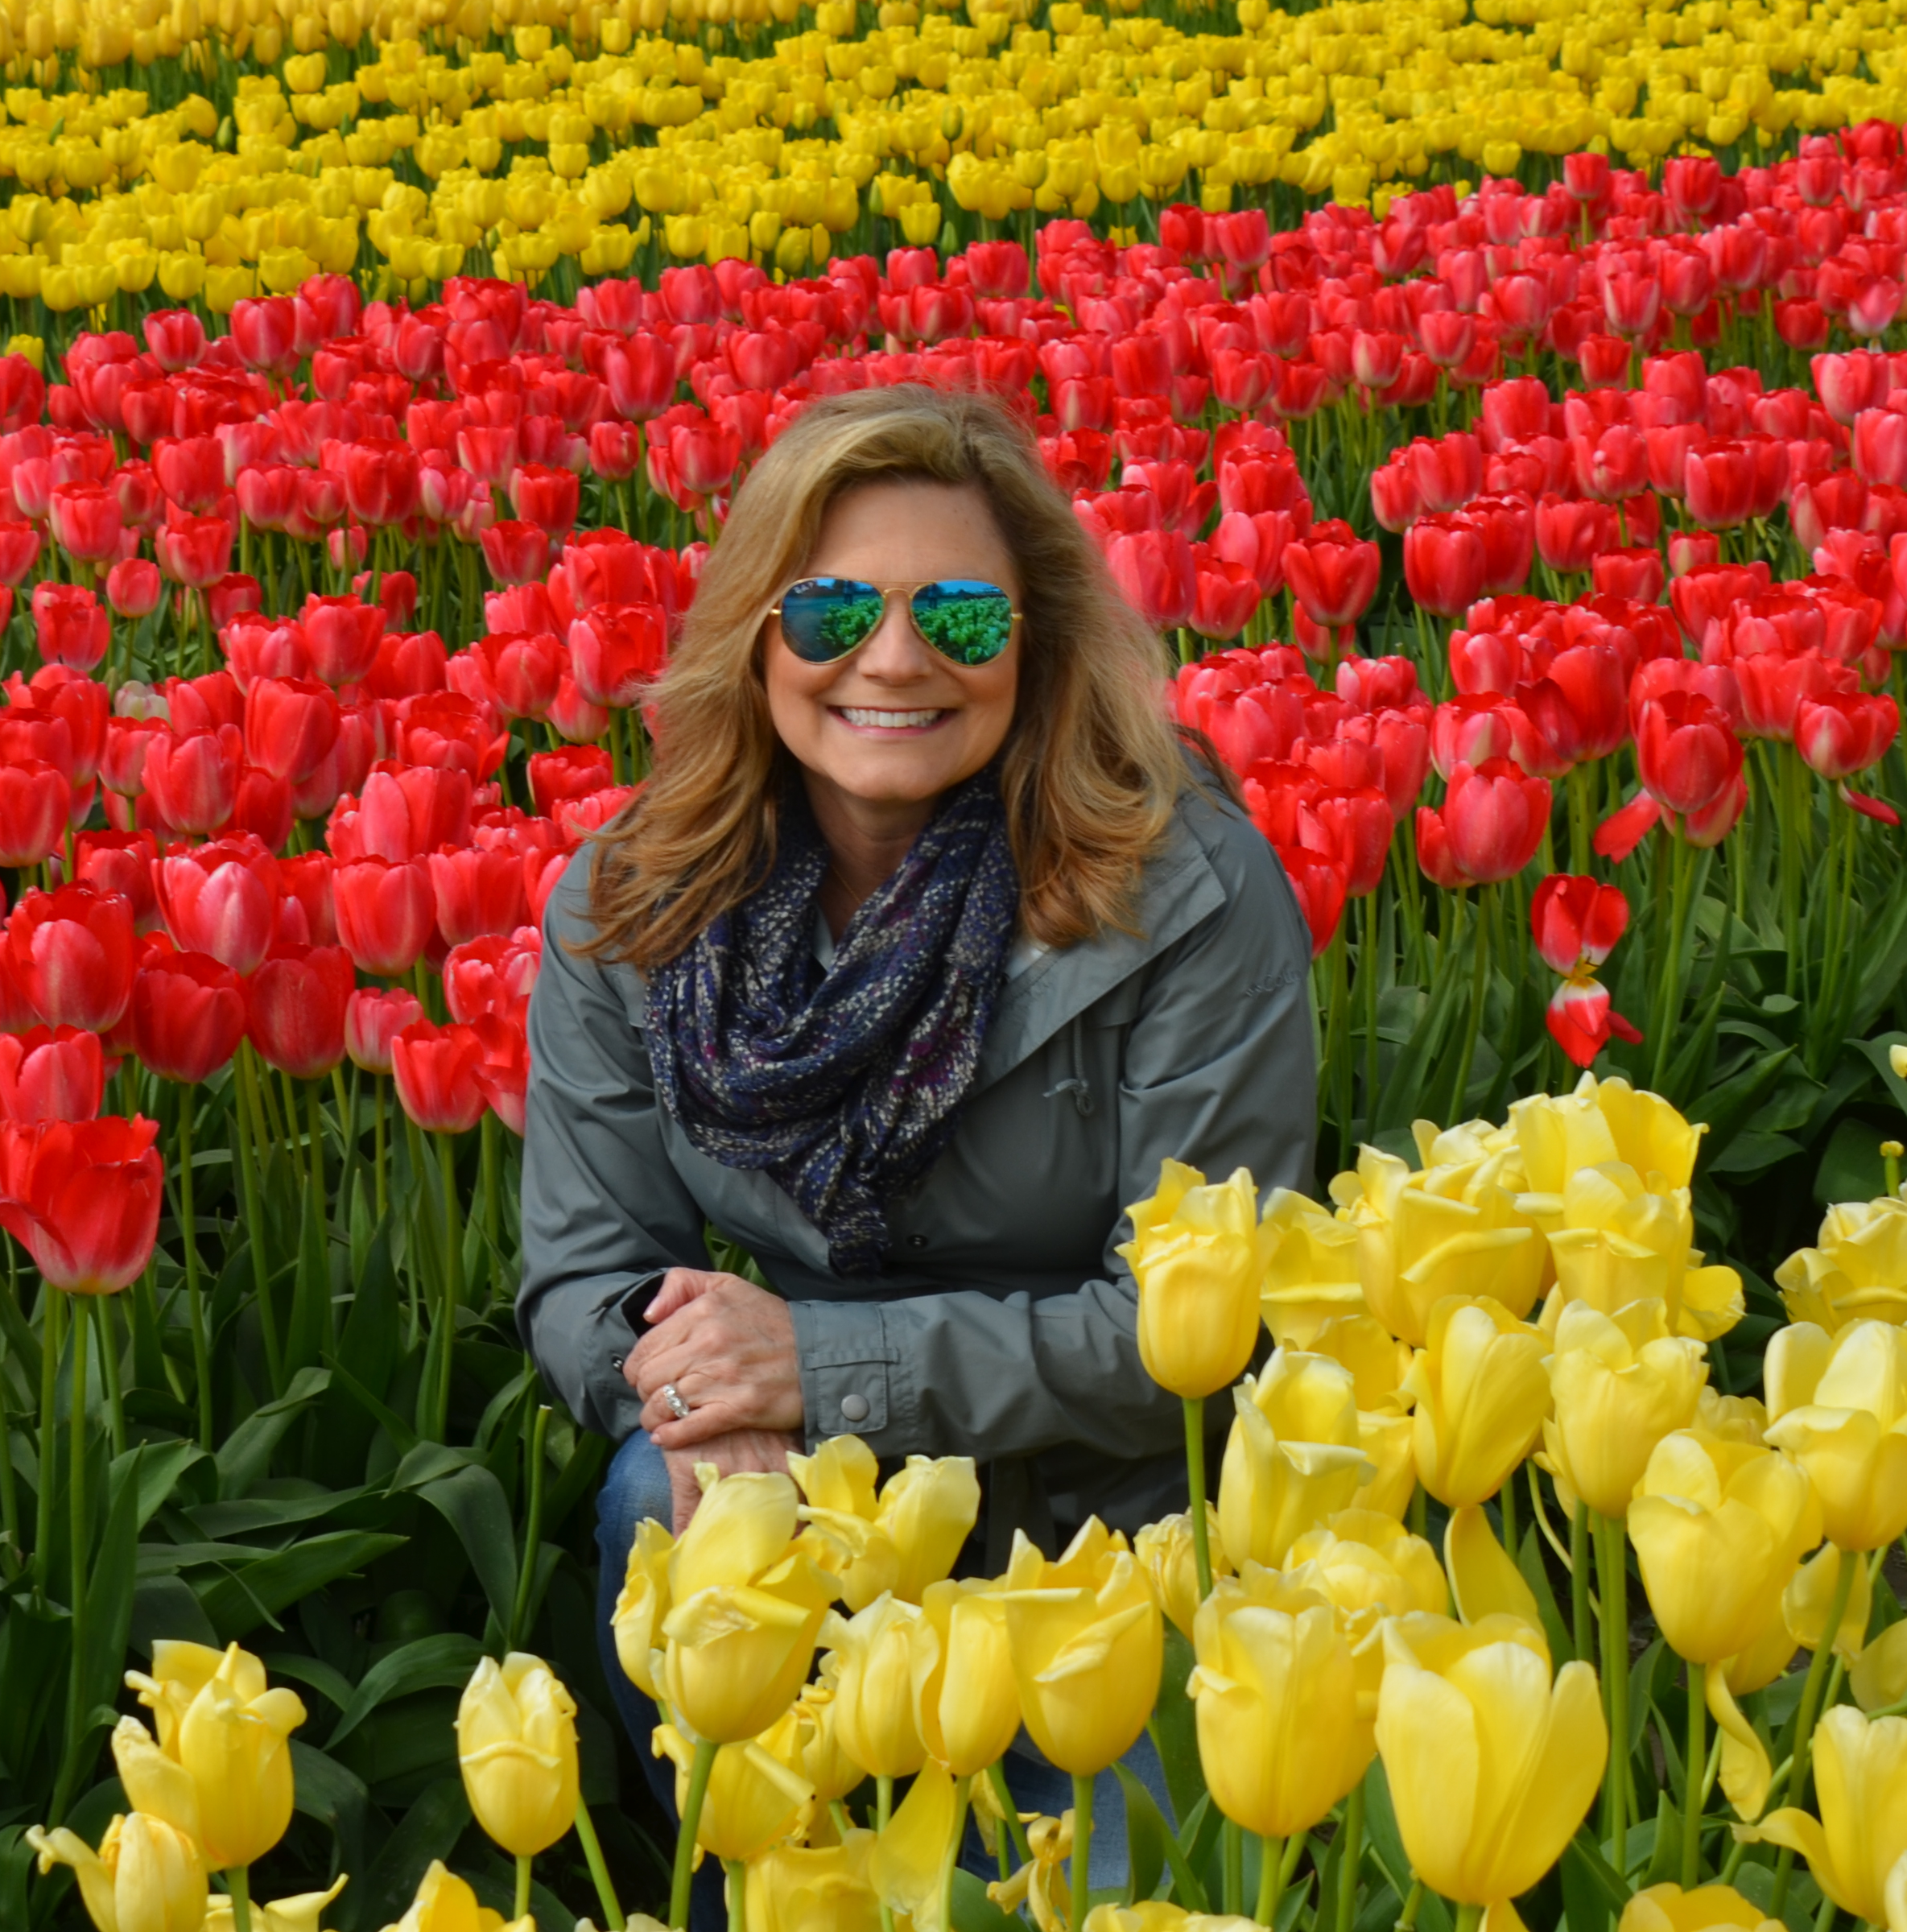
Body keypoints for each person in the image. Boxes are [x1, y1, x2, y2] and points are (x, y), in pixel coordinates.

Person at [517, 382, 1317, 1885]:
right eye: (828, 611)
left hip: (1108, 1521)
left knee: (1121, 1895)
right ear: (757, 632)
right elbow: (584, 1274)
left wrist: (818, 1365)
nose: (889, 659)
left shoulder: (1184, 895)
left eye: (957, 616)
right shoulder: (634, 902)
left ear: (1037, 642)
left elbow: (1205, 1327)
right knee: (665, 1503)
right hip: (804, 1487)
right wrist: (709, 1393)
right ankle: (759, 1891)